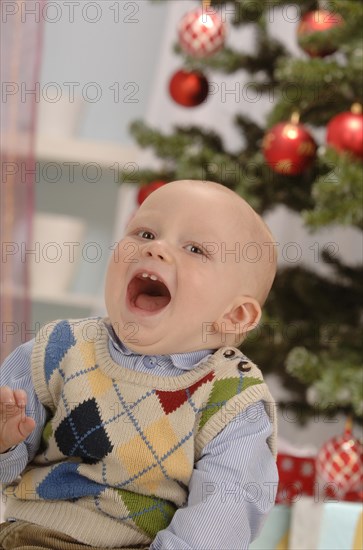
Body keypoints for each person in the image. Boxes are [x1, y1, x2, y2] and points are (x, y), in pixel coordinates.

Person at [0, 180, 278, 550]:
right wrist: (5, 443)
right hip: (31, 534)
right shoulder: (59, 349)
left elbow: (223, 513)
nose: (156, 248)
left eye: (195, 248)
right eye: (145, 232)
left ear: (235, 315)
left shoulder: (233, 400)